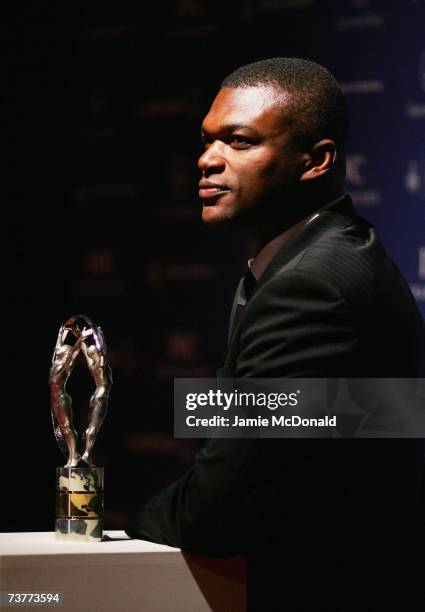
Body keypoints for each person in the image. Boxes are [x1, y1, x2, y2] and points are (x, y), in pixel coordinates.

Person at [126, 58, 425, 611]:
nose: (207, 160)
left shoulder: (311, 287)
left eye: (239, 141)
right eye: (208, 140)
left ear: (315, 162)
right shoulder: (325, 258)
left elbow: (212, 512)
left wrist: (127, 526)